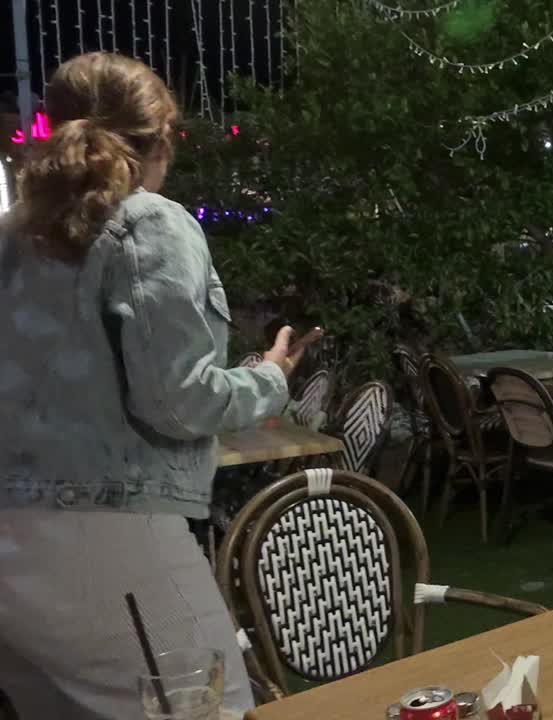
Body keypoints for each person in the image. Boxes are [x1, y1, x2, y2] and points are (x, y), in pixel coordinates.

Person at [0, 52, 316, 718]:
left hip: (11, 548)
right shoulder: (149, 223)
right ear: (160, 137)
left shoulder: (10, 236)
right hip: (107, 536)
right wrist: (269, 380)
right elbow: (178, 401)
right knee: (210, 705)